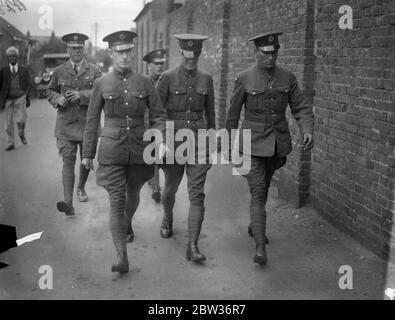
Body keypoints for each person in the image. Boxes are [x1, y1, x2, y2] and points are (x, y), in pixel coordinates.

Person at [81, 31, 167, 273]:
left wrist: (159, 139)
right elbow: (91, 120)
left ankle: (126, 222)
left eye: (128, 51)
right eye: (120, 52)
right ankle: (121, 255)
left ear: (133, 52)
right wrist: (87, 153)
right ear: (111, 53)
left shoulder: (145, 82)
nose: (125, 56)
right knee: (117, 201)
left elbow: (159, 115)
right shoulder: (102, 83)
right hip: (112, 149)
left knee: (134, 194)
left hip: (140, 149)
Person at [226, 32, 314, 265]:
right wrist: (228, 144)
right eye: (265, 53)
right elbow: (233, 114)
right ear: (256, 52)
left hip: (277, 146)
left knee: (263, 187)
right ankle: (260, 248)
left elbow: (301, 107)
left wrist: (307, 129)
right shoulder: (244, 78)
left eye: (274, 52)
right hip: (250, 145)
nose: (270, 57)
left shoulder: (287, 77)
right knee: (258, 190)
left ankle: (255, 224)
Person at [156, 34, 215, 263]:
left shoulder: (206, 79)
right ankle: (167, 218)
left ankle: (193, 245)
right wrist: (160, 140)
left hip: (198, 140)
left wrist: (211, 144)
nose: (191, 60)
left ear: (200, 54)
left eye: (195, 56)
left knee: (197, 194)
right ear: (181, 53)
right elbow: (157, 113)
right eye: (188, 56)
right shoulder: (167, 78)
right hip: (172, 141)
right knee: (170, 190)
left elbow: (210, 114)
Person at [47, 33, 102, 216]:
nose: (76, 51)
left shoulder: (94, 71)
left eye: (79, 48)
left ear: (83, 49)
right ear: (67, 50)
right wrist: (58, 98)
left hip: (88, 123)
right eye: (72, 48)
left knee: (86, 160)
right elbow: (50, 90)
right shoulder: (59, 71)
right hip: (66, 124)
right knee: (68, 160)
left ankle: (81, 188)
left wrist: (83, 95)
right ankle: (68, 202)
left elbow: (103, 92)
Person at [143, 49, 167, 204]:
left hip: (163, 122)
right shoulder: (145, 82)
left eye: (161, 64)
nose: (160, 66)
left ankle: (155, 185)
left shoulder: (167, 80)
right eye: (156, 64)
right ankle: (156, 186)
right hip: (148, 122)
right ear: (148, 66)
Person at [0, 46, 32, 151]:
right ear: (8, 58)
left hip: (20, 97)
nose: (12, 58)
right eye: (10, 56)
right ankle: (11, 143)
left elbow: (28, 83)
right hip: (8, 98)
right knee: (8, 123)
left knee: (21, 119)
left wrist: (25, 92)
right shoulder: (3, 71)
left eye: (14, 56)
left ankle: (21, 132)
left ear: (17, 57)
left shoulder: (23, 70)